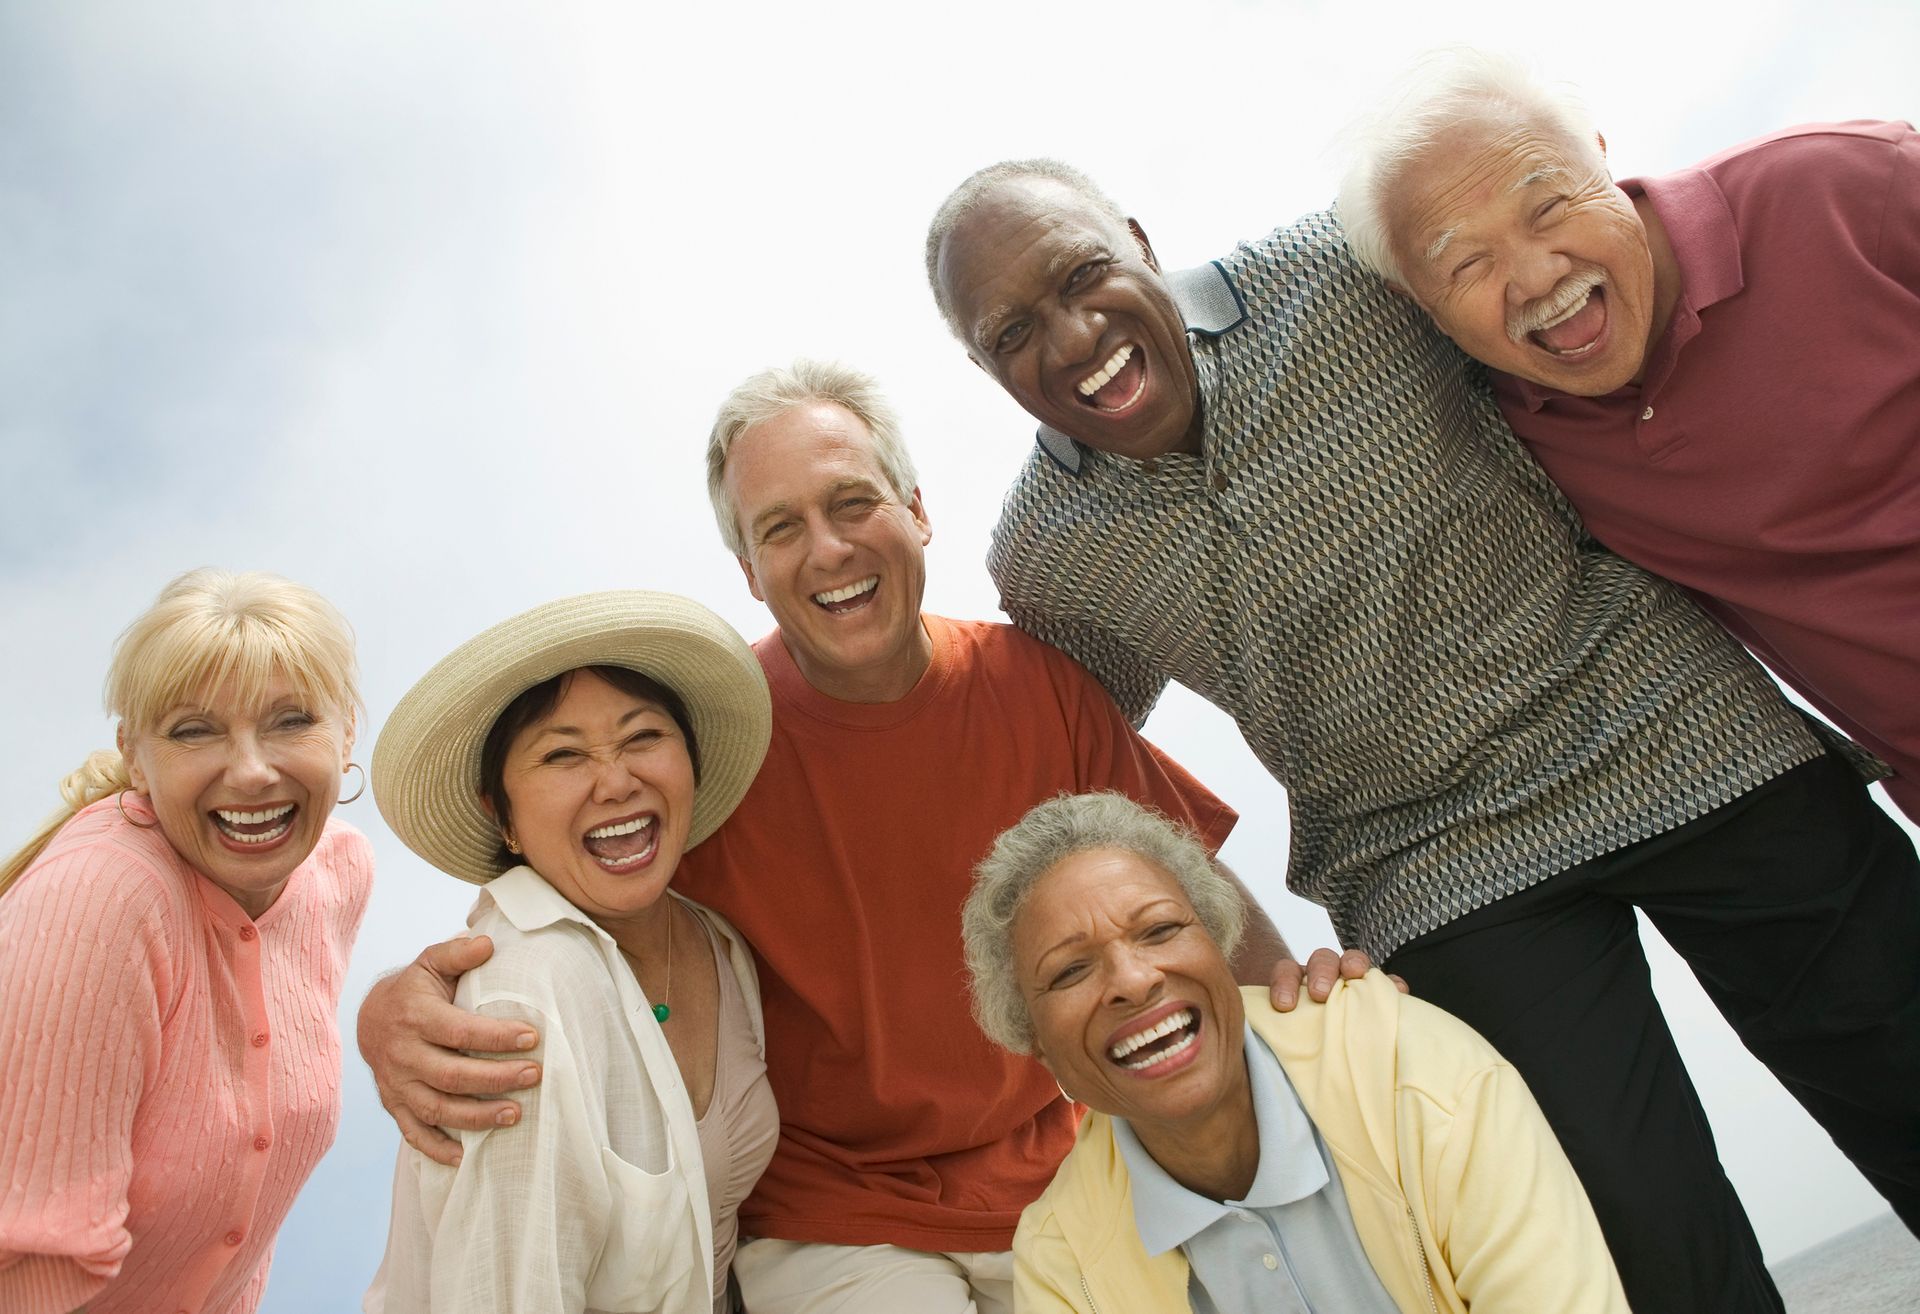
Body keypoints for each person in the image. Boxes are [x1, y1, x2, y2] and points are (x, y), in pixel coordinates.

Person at [926, 159, 1920, 1312]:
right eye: (1012, 332)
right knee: (1647, 1250)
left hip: (1664, 721)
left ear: (1139, 238)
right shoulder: (1051, 553)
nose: (1072, 333)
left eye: (1085, 272)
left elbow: (1580, 315)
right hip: (1437, 868)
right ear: (981, 365)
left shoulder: (1343, 275)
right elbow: (1066, 744)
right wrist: (1239, 952)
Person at [356, 360, 1372, 1314]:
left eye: (853, 504)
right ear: (750, 569)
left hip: (1063, 1170)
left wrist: (1310, 1031)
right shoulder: (716, 749)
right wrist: (394, 1005)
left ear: (918, 513)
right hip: (828, 1216)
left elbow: (1189, 894)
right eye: (782, 528)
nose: (829, 550)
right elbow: (564, 896)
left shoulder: (1037, 686)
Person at [1335, 48, 1920, 824]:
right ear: (1419, 304)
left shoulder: (1843, 184)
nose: (1539, 276)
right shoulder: (1512, 437)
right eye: (1468, 263)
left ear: (1602, 160)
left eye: (1547, 208)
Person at [963, 792, 1629, 1314]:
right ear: (1040, 1050)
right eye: (1071, 972)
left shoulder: (1412, 1071)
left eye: (1161, 930)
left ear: (1222, 948)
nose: (1133, 981)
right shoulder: (1062, 1262)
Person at [364, 590, 777, 1313]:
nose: (616, 781)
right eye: (562, 754)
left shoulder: (719, 942)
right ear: (505, 820)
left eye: (643, 737)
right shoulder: (523, 988)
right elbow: (506, 1293)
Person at [0, 568, 372, 1314]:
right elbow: (29, 1265)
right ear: (135, 755)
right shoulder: (103, 899)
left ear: (346, 733)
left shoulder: (336, 871)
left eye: (291, 720)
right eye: (194, 731)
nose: (252, 770)